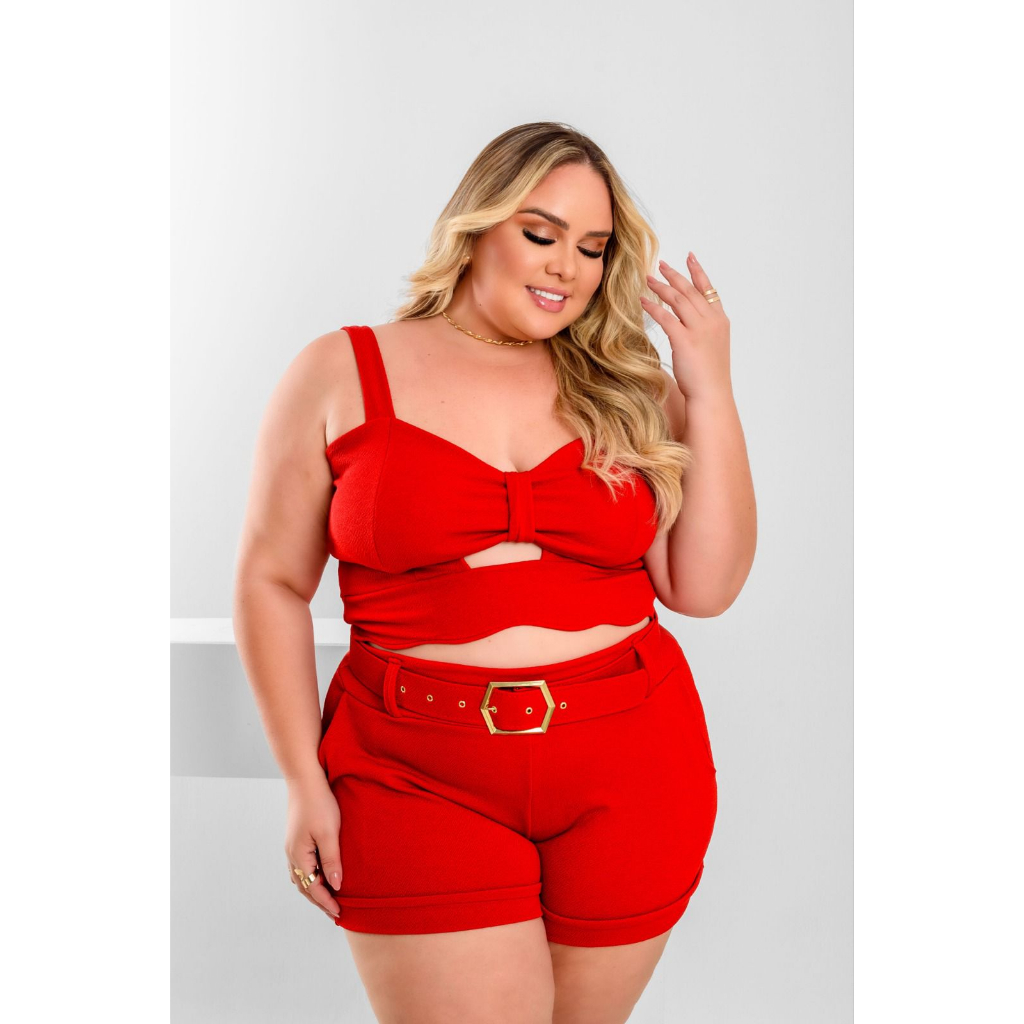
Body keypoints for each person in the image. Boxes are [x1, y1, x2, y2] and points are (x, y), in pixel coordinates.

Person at [233, 121, 756, 1024]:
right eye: (541, 233)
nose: (567, 268)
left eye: (592, 247)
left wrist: (708, 387)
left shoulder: (625, 385)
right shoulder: (340, 369)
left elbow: (702, 588)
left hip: (631, 764)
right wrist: (302, 781)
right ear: (476, 224)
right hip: (411, 773)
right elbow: (270, 581)